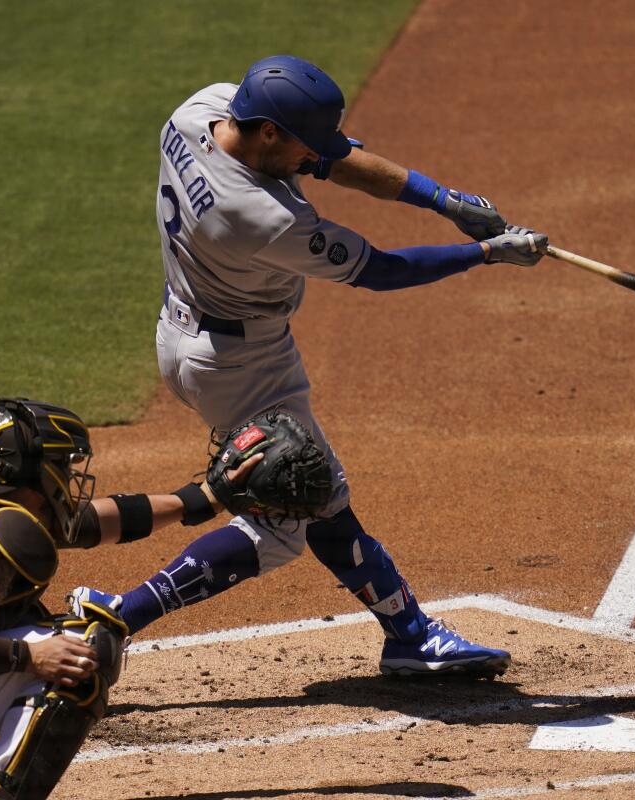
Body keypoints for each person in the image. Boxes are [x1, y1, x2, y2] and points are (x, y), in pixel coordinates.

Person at [70, 55, 548, 678]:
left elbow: (333, 158)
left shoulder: (200, 110)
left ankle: (407, 633)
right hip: (242, 365)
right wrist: (483, 252)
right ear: (269, 131)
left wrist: (442, 198)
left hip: (189, 333)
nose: (312, 159)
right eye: (303, 146)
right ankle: (120, 614)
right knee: (291, 509)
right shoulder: (260, 216)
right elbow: (380, 271)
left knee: (309, 497)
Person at [0, 397, 259, 799]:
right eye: (61, 463)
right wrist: (28, 658)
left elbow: (97, 521)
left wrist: (202, 499)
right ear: (31, 468)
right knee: (86, 644)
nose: (70, 474)